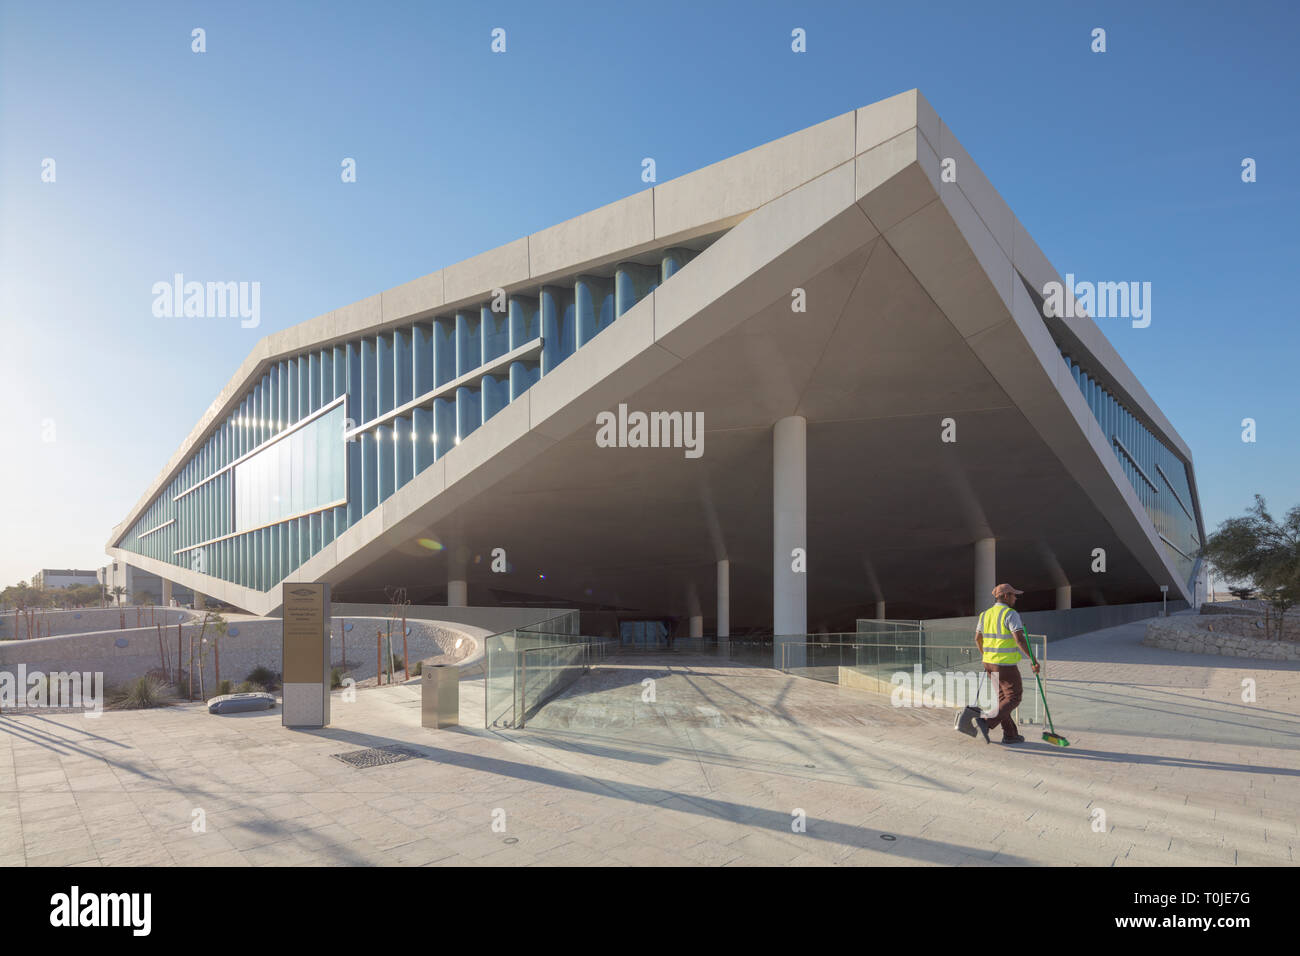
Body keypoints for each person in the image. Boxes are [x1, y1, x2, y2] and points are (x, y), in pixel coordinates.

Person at [973, 583, 1039, 745]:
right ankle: (985, 722)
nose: (1015, 598)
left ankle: (1010, 735)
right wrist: (1033, 660)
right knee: (1014, 697)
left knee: (1003, 699)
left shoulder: (985, 614)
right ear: (1004, 596)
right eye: (1013, 595)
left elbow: (977, 639)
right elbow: (1019, 639)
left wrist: (986, 656)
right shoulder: (1010, 614)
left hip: (989, 663)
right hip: (1005, 665)